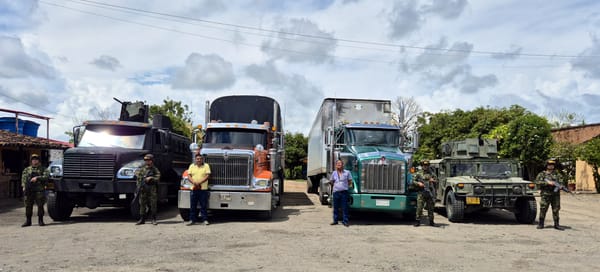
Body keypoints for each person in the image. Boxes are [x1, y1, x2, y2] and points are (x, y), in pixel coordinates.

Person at [21, 154, 50, 227]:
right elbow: (23, 178)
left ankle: (40, 220)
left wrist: (37, 178)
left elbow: (46, 176)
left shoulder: (43, 169)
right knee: (28, 206)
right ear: (31, 161)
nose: (34, 160)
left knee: (40, 206)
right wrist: (24, 186)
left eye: (36, 159)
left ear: (39, 160)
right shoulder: (27, 169)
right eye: (33, 159)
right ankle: (28, 221)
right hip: (29, 190)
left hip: (39, 190)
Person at [535, 159, 565, 230]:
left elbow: (561, 182)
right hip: (545, 194)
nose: (551, 166)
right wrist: (547, 183)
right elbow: (537, 182)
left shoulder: (558, 174)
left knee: (556, 209)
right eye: (549, 165)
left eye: (552, 165)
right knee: (543, 208)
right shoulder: (542, 174)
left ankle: (556, 224)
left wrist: (561, 186)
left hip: (555, 195)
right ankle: (541, 223)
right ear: (547, 165)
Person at [135, 154, 161, 225]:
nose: (146, 161)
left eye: (148, 160)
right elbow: (138, 177)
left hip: (151, 188)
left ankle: (153, 219)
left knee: (153, 204)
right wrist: (139, 185)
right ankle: (142, 219)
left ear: (151, 161)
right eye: (145, 160)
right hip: (143, 188)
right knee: (142, 203)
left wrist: (151, 178)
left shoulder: (154, 169)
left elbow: (158, 177)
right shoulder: (142, 169)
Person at [187, 153, 211, 226]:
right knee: (192, 205)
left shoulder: (206, 166)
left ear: (202, 159)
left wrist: (200, 182)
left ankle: (205, 220)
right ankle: (192, 220)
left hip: (203, 189)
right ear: (195, 159)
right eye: (197, 159)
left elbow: (207, 175)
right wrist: (193, 182)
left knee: (203, 205)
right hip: (193, 189)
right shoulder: (191, 166)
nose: (199, 160)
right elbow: (189, 175)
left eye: (200, 159)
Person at [412, 160, 436, 227]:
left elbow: (437, 181)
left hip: (430, 193)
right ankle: (417, 221)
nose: (425, 166)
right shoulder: (418, 173)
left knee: (430, 208)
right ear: (422, 166)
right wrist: (418, 183)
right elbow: (413, 181)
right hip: (421, 193)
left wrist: (433, 181)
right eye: (424, 165)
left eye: (427, 165)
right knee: (419, 207)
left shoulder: (432, 173)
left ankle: (431, 221)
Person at [330, 159, 352, 227]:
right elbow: (332, 181)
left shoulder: (347, 172)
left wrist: (344, 186)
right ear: (336, 165)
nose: (339, 165)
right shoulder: (334, 173)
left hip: (344, 192)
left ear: (343, 165)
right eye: (338, 164)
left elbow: (350, 181)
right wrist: (336, 187)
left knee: (344, 207)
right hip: (336, 192)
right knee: (335, 207)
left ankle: (345, 221)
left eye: (340, 164)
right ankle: (335, 221)